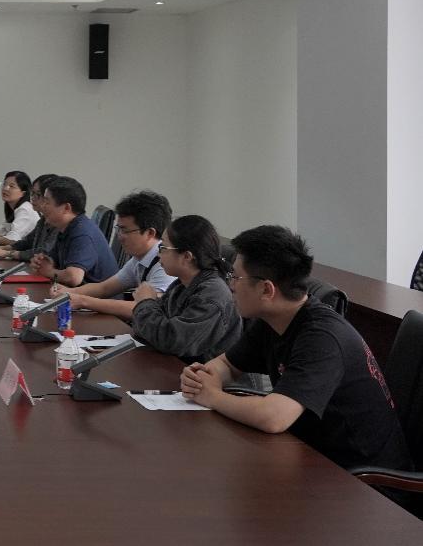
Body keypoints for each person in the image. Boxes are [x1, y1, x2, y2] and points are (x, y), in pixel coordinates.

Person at [180, 225, 412, 472]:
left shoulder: (322, 338)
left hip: (364, 480)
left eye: (235, 277)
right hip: (313, 457)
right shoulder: (274, 319)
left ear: (267, 289)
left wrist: (213, 397)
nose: (231, 286)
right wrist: (203, 379)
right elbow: (228, 364)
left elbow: (274, 417)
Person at [125, 215, 241, 363]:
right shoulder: (181, 285)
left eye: (163, 248)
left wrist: (145, 302)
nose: (158, 254)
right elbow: (146, 331)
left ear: (187, 256)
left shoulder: (212, 295)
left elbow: (171, 341)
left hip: (202, 374)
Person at [58, 190, 175, 317]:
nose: (119, 237)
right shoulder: (139, 258)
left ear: (150, 233)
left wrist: (83, 301)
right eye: (118, 229)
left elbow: (143, 309)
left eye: (125, 230)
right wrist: (68, 292)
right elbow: (104, 288)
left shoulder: (165, 264)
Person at [30, 176, 117, 286]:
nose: (42, 206)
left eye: (47, 202)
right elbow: (53, 261)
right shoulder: (65, 228)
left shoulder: (82, 232)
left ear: (66, 208)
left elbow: (73, 277)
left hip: (97, 296)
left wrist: (48, 272)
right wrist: (42, 262)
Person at [0, 173, 59, 263]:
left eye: (38, 194)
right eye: (32, 193)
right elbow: (27, 242)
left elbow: (44, 252)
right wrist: (8, 248)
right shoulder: (43, 220)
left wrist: (9, 253)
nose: (32, 198)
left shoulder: (58, 224)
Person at [0, 170, 37, 246]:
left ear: (23, 193)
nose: (5, 188)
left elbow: (12, 239)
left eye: (11, 186)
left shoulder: (25, 209)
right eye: (4, 184)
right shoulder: (13, 207)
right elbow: (3, 229)